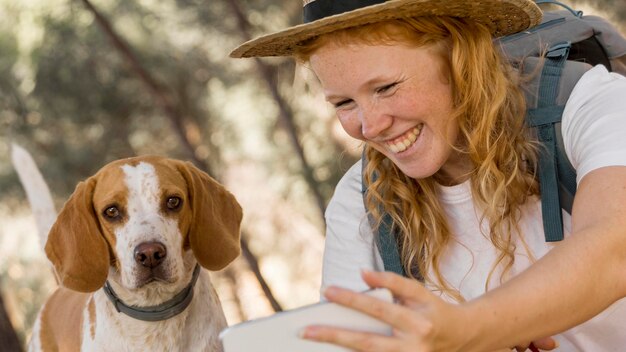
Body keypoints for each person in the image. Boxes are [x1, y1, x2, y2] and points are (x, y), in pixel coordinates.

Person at [230, 0, 626, 351]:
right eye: (344, 102)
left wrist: (469, 329)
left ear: (460, 56)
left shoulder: (589, 103)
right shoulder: (361, 198)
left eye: (385, 87)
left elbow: (614, 249)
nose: (370, 127)